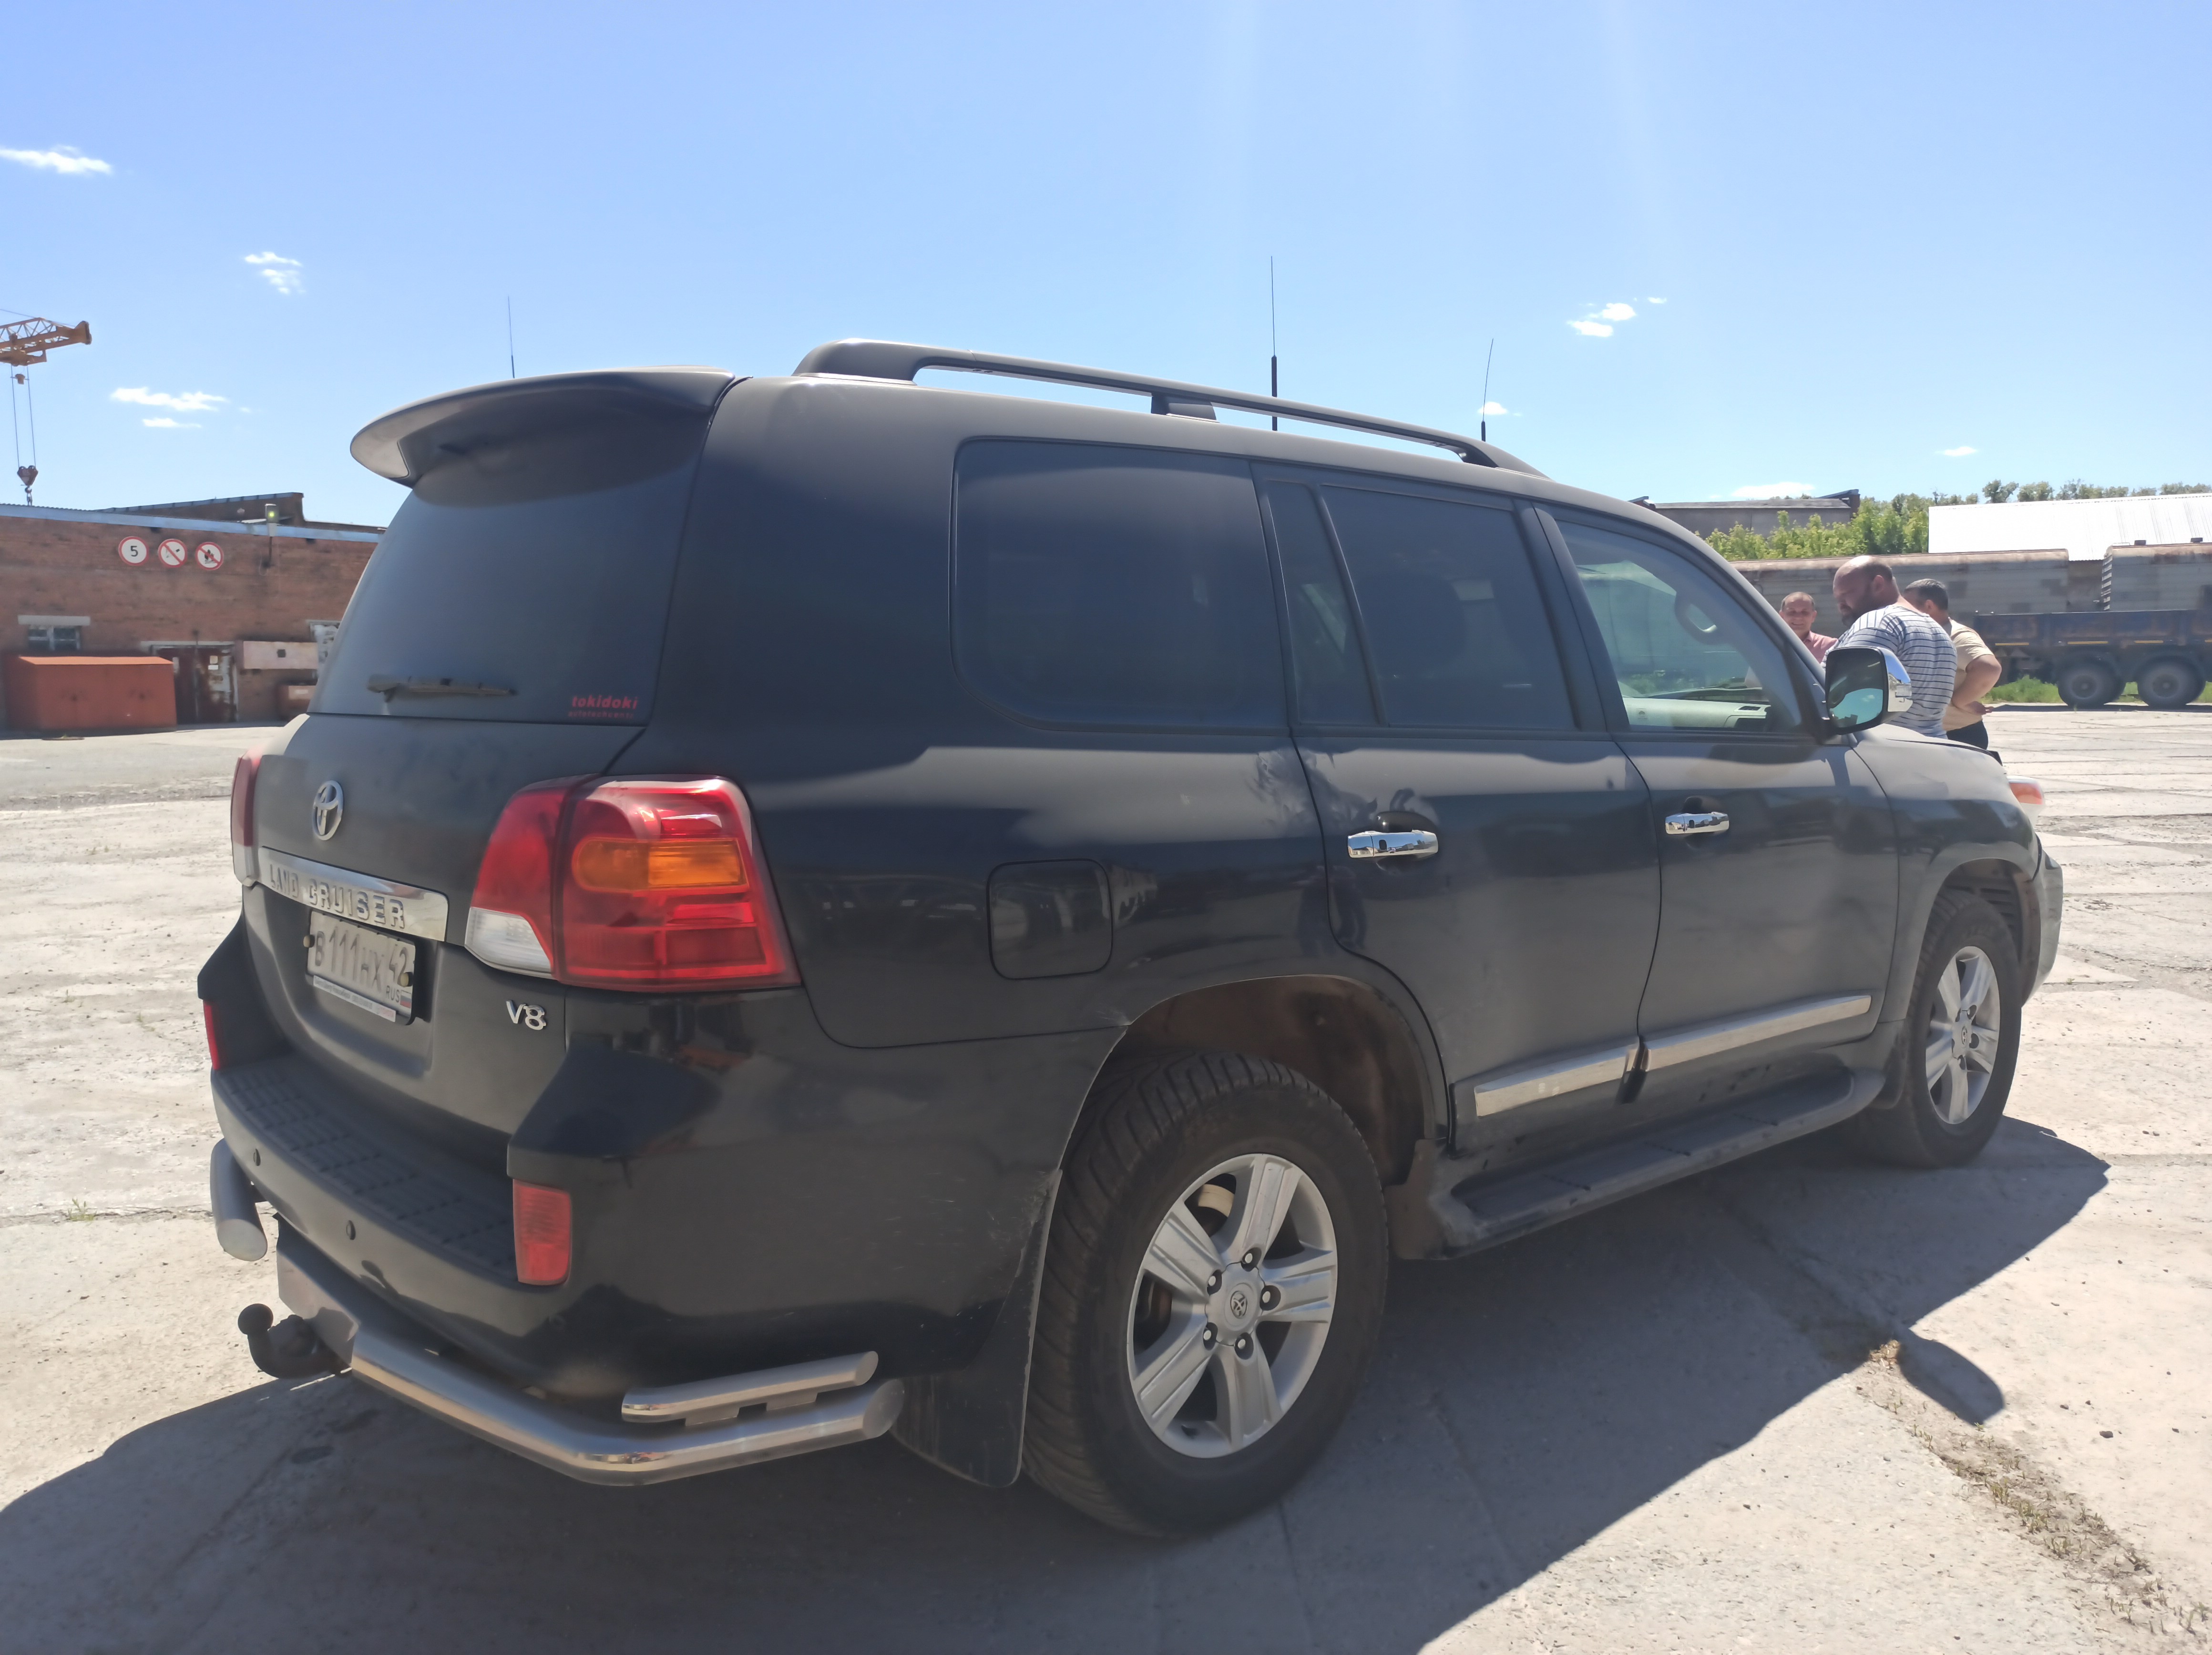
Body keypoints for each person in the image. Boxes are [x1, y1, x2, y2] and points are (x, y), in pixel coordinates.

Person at [1831, 556, 1956, 737]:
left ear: (1878, 584)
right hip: (1932, 745)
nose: (1841, 605)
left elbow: (1842, 700)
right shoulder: (1939, 631)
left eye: (1846, 594)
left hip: (1879, 748)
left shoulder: (1878, 623)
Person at [1901, 578, 2003, 752]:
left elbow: (1989, 668)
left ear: (1929, 606)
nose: (1903, 611)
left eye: (1908, 605)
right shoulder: (1922, 634)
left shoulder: (1956, 636)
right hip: (1928, 735)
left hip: (1959, 736)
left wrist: (1963, 701)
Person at [1777, 591, 1837, 662]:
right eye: (1792, 612)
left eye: (1805, 612)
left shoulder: (1831, 646)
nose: (1798, 617)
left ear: (1813, 616)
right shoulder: (1770, 644)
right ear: (1782, 616)